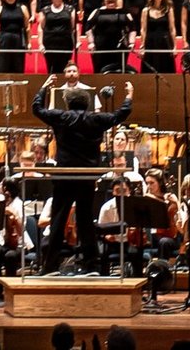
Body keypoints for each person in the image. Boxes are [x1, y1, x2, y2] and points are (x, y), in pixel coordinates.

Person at [31, 73, 134, 275]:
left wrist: (44, 87)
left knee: (58, 220)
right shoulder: (96, 119)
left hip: (65, 176)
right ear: (88, 103)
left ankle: (50, 266)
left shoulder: (61, 117)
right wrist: (129, 95)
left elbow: (37, 109)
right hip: (86, 176)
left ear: (68, 103)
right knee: (85, 220)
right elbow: (120, 115)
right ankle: (91, 265)